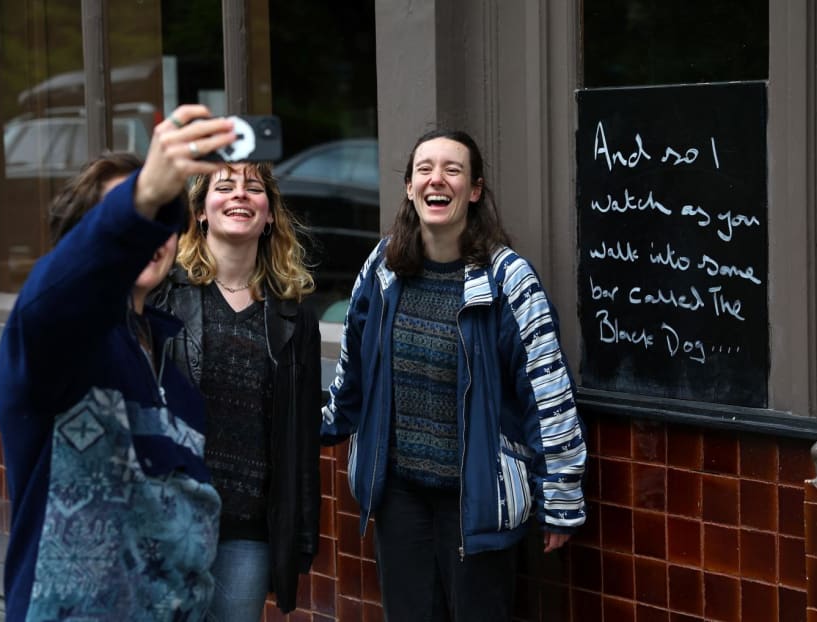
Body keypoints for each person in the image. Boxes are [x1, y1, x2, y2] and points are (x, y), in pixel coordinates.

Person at [321, 128, 587, 621]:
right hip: (400, 498)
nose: (435, 179)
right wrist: (316, 426)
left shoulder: (510, 281)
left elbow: (549, 395)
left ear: (475, 190)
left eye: (452, 169)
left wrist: (562, 498)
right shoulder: (382, 268)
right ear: (408, 186)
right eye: (424, 169)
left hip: (477, 500)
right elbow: (352, 370)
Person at [0, 104, 238, 621]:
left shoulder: (177, 378)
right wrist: (146, 193)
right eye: (133, 221)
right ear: (90, 241)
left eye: (158, 222)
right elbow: (53, 297)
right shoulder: (55, 344)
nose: (150, 236)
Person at [151, 160, 322, 619]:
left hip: (250, 530)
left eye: (253, 188)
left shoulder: (293, 315)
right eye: (224, 186)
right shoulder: (163, 295)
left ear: (269, 216)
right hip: (172, 520)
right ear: (202, 212)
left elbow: (301, 436)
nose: (240, 195)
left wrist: (301, 534)